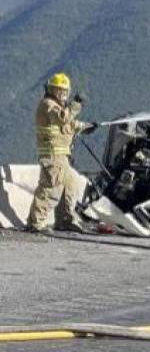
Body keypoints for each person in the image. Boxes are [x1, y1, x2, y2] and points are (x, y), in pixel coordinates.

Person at [27, 72, 97, 234]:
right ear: (51, 89)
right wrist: (76, 104)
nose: (63, 94)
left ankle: (65, 220)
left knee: (70, 184)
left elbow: (69, 124)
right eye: (59, 90)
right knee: (50, 187)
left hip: (62, 157)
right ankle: (35, 223)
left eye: (65, 91)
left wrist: (86, 126)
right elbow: (62, 119)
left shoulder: (59, 107)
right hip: (52, 156)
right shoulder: (48, 105)